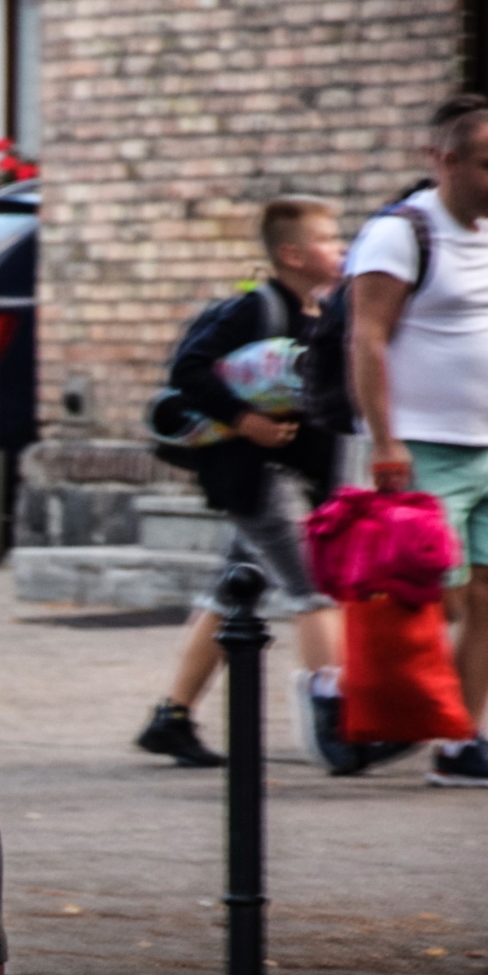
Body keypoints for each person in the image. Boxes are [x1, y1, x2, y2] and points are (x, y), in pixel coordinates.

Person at [136, 196, 349, 768]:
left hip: (292, 475)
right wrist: (243, 419)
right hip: (255, 477)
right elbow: (188, 369)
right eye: (330, 239)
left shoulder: (321, 315)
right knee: (316, 589)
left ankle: (171, 718)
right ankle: (338, 725)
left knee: (230, 596)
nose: (342, 249)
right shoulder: (256, 310)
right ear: (293, 254)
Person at [347, 94, 488, 786]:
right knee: (438, 596)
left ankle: (461, 739)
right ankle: (374, 710)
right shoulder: (400, 233)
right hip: (425, 445)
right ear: (445, 160)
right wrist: (384, 440)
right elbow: (367, 337)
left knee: (487, 596)